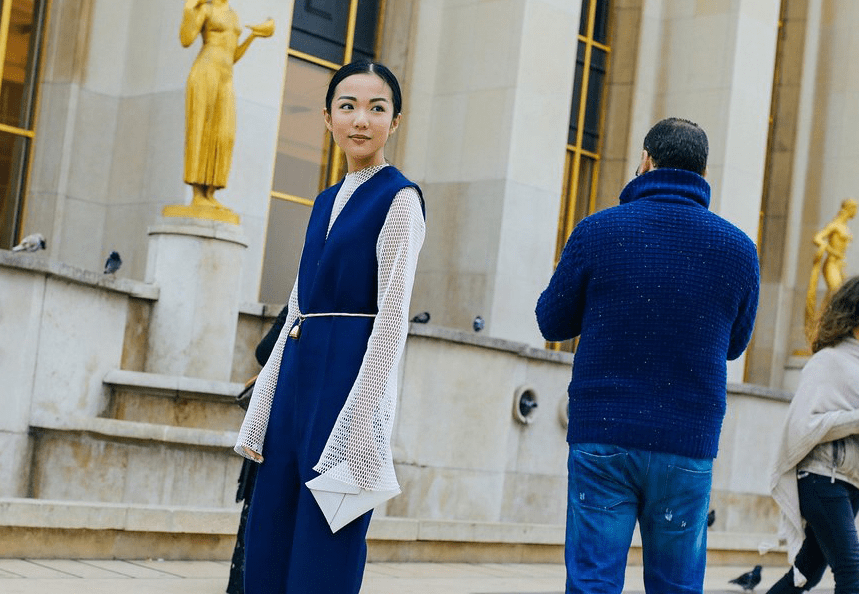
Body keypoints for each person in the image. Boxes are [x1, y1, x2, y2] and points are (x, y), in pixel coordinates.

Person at [535, 117, 760, 593]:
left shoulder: (598, 230)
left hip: (604, 436)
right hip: (687, 442)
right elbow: (735, 345)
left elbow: (551, 321)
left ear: (646, 161)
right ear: (702, 172)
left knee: (593, 581)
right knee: (676, 586)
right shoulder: (739, 248)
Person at [234, 60, 426, 594]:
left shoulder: (400, 199)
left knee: (325, 538)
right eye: (347, 107)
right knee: (269, 531)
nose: (360, 120)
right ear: (327, 118)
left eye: (376, 108)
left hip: (347, 382)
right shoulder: (322, 201)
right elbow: (297, 304)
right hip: (297, 379)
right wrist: (264, 404)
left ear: (395, 121)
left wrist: (365, 418)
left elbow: (392, 318)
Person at [768, 276, 859, 593]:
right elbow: (802, 426)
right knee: (852, 573)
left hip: (849, 482)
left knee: (806, 572)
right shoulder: (828, 361)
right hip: (823, 478)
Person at [180, 0, 273, 207]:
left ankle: (210, 191)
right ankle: (198, 193)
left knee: (223, 134)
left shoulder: (233, 15)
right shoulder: (206, 9)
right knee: (200, 130)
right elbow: (186, 39)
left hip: (226, 77)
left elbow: (232, 56)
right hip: (205, 72)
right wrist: (189, 10)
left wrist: (254, 36)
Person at [227, 305, 288, 594]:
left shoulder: (298, 305)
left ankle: (244, 582)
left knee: (258, 509)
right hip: (289, 421)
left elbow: (264, 352)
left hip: (274, 422)